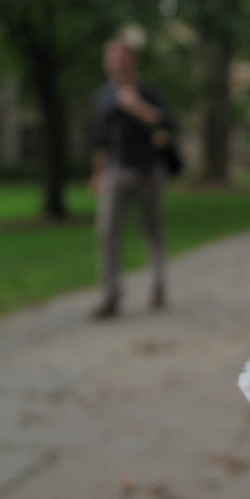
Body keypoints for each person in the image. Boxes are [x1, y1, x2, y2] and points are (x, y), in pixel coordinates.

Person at [90, 39, 177, 318]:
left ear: (131, 61)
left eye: (121, 58)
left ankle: (158, 287)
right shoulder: (103, 96)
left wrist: (136, 105)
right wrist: (99, 173)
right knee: (108, 233)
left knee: (152, 230)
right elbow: (101, 141)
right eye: (111, 58)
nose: (116, 63)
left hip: (148, 170)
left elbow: (166, 124)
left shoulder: (148, 91)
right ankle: (111, 295)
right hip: (116, 171)